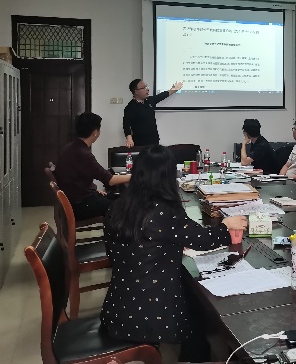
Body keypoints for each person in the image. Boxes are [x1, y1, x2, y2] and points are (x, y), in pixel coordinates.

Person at [101, 145, 247, 364]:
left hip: (117, 308)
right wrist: (226, 226)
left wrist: (166, 246)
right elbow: (203, 240)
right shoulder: (164, 211)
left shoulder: (118, 206)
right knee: (199, 311)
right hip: (148, 316)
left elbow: (131, 248)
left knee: (192, 295)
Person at [55, 112, 131, 220]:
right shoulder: (83, 153)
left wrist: (92, 190)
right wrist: (134, 176)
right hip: (80, 205)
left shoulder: (71, 147)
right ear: (95, 132)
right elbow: (110, 180)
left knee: (119, 198)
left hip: (76, 199)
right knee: (123, 206)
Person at [123, 79, 183, 147]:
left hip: (154, 140)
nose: (147, 89)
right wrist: (129, 139)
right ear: (136, 91)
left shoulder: (149, 101)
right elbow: (126, 124)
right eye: (143, 88)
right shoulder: (130, 107)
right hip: (140, 142)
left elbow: (162, 96)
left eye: (146, 87)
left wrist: (174, 89)